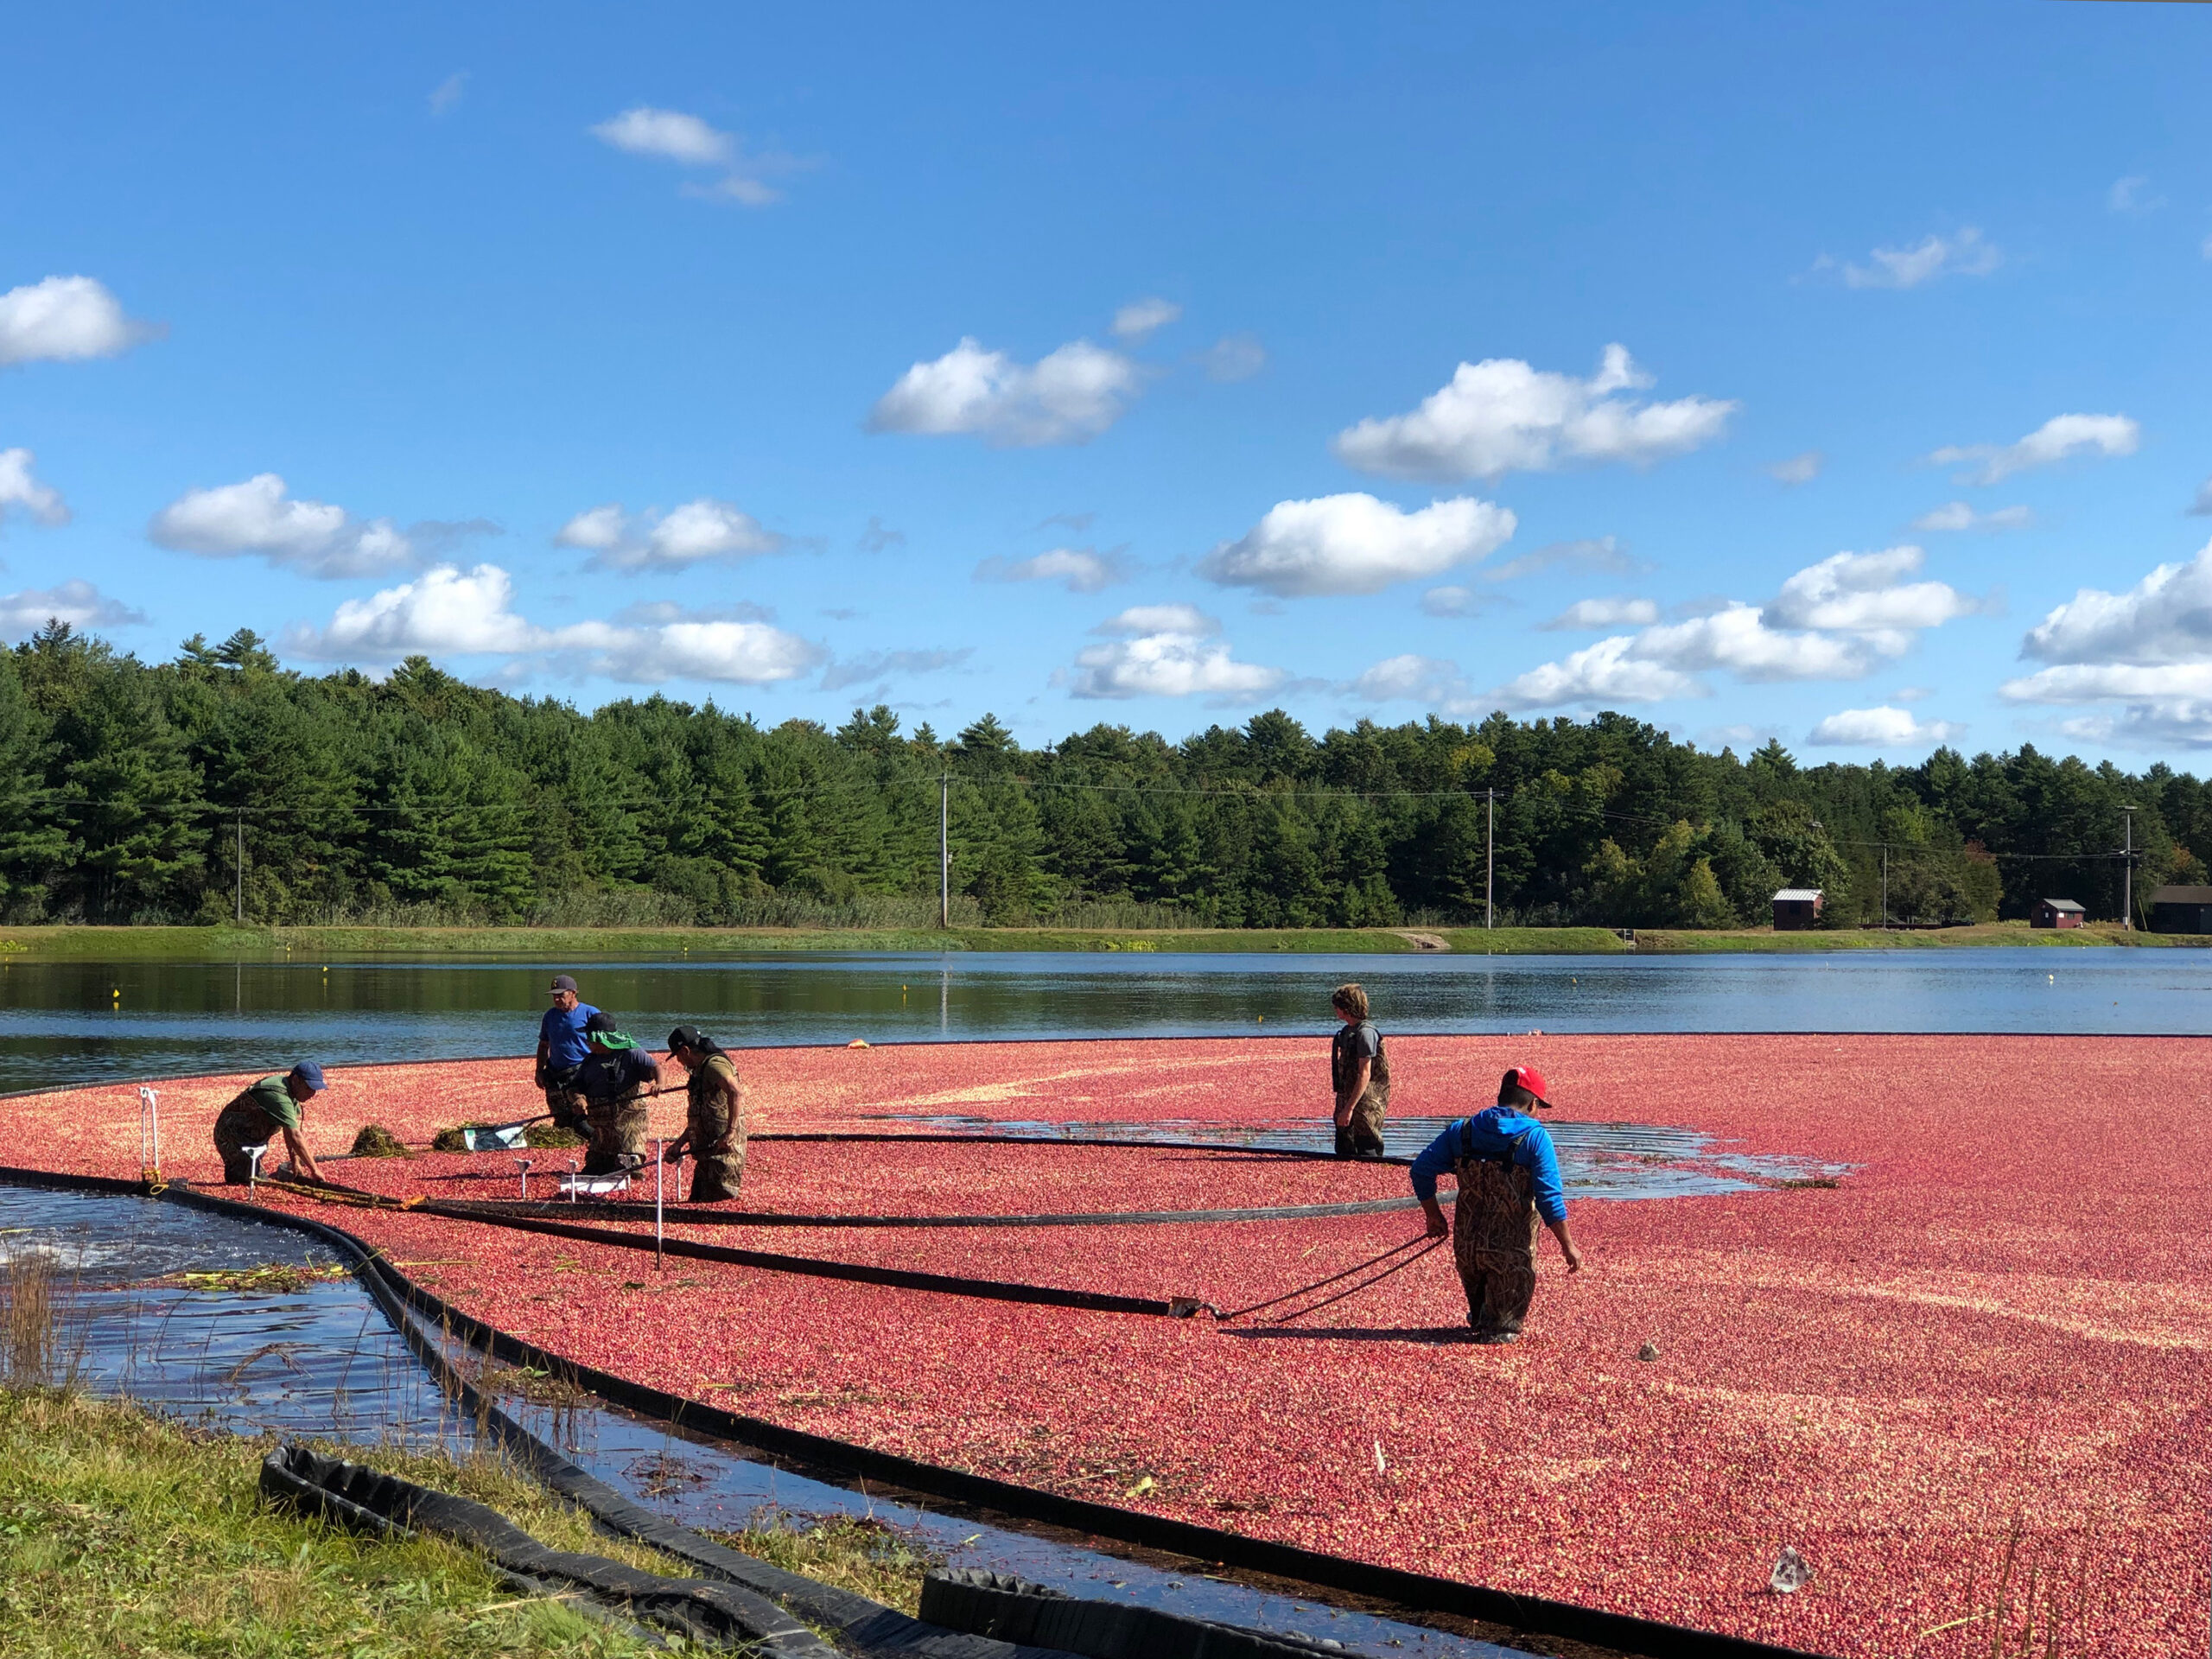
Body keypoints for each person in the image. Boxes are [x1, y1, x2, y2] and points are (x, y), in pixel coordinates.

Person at [1408, 1065, 1584, 1344]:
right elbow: (1549, 1198)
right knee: (1502, 1334)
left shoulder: (1463, 1131)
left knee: (1481, 1321)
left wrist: (1434, 1215)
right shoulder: (1535, 1138)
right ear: (1533, 1104)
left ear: (1501, 1096)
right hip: (1510, 1255)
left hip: (1468, 1249)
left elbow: (1421, 1169)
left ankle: (1481, 1322)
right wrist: (1568, 1245)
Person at [663, 1026, 746, 1202]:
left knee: (718, 1201)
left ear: (685, 1051)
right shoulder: (700, 1070)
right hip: (706, 1151)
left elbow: (736, 1092)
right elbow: (702, 1116)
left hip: (722, 1150)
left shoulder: (714, 1065)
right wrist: (679, 1144)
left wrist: (730, 1132)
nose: (679, 1061)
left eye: (678, 1056)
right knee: (697, 1201)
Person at [573, 1012, 660, 1175]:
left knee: (627, 1167)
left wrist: (659, 1083)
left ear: (600, 1038)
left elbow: (657, 1068)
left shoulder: (631, 1053)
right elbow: (575, 1086)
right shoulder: (590, 1060)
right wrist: (578, 1098)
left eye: (589, 1038)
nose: (587, 1042)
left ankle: (630, 1170)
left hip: (628, 1123)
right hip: (601, 1127)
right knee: (594, 1169)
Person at [213, 1062, 328, 1185]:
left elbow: (288, 1131)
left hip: (252, 1137)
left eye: (314, 1090)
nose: (312, 1094)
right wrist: (314, 1170)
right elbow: (295, 1135)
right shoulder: (278, 1096)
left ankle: (238, 1173)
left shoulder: (291, 1094)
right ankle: (236, 1175)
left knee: (252, 1178)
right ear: (296, 1080)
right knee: (252, 1182)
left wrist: (295, 1161)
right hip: (231, 1136)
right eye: (308, 1088)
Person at [1329, 982, 1389, 1160]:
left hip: (1366, 1103)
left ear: (1347, 1007)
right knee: (1343, 1148)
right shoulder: (1347, 1032)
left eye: (1337, 1007)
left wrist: (1349, 1108)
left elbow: (1365, 1073)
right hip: (1347, 1098)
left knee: (1367, 1150)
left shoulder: (1365, 1033)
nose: (1335, 1010)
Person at [537, 974, 598, 1135]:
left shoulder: (590, 1014)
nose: (556, 999)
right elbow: (543, 1045)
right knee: (561, 1119)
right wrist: (539, 1070)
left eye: (561, 995)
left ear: (573, 993)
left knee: (583, 1116)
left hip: (581, 1073)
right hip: (555, 1074)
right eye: (554, 996)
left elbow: (605, 1044)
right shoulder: (550, 1016)